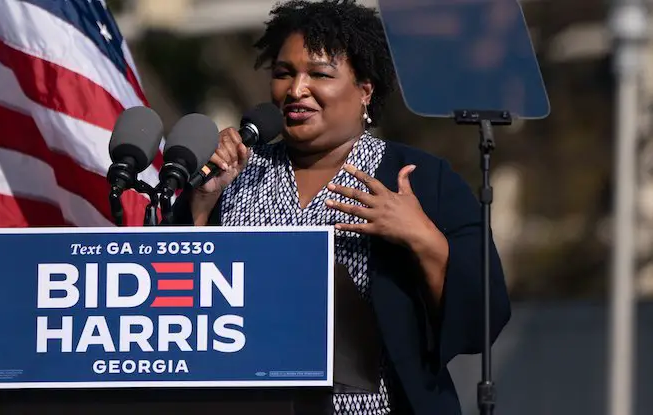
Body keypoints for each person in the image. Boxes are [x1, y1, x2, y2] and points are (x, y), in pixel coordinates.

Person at [173, 0, 511, 414]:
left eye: (319, 74)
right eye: (284, 74)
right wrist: (203, 204)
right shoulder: (234, 174)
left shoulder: (420, 177)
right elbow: (176, 309)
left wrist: (422, 238)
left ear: (365, 90)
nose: (296, 90)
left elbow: (484, 319)